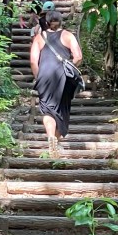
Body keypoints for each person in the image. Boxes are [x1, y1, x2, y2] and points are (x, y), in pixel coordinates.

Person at [30, 9, 83, 158]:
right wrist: (68, 67)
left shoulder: (39, 37)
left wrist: (38, 77)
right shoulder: (68, 35)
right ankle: (56, 141)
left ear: (46, 22)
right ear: (61, 22)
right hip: (63, 77)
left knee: (48, 110)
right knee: (62, 109)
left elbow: (33, 61)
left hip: (45, 76)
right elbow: (78, 57)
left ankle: (51, 138)